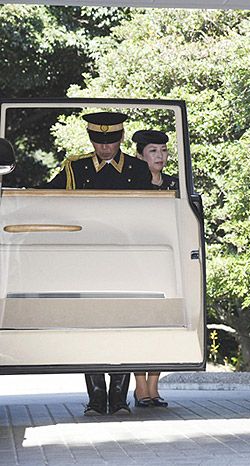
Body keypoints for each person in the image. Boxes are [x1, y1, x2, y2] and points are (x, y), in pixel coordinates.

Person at [46, 111, 154, 415]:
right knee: (89, 327)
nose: (104, 147)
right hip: (86, 260)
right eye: (98, 141)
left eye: (110, 141)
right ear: (91, 139)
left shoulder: (137, 168)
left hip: (126, 261)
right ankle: (96, 399)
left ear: (120, 138)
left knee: (123, 326)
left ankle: (119, 399)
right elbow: (49, 196)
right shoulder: (75, 167)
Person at [130, 129, 177, 408]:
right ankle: (140, 386)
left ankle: (155, 387)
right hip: (137, 261)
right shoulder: (132, 183)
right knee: (139, 324)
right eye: (153, 151)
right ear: (140, 156)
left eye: (163, 150)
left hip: (167, 260)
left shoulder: (174, 183)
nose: (160, 156)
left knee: (163, 324)